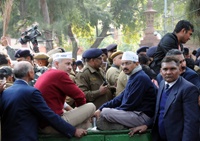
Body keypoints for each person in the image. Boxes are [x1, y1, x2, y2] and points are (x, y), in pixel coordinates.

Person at [0, 61, 87, 141]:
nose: (33, 72)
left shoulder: (5, 92)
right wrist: (73, 131)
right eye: (32, 70)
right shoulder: (31, 92)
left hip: (7, 138)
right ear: (29, 73)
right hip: (25, 138)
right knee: (90, 106)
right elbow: (49, 115)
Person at [129, 56, 200, 141]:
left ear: (180, 70)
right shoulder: (162, 84)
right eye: (165, 69)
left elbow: (191, 123)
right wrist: (147, 125)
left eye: (173, 69)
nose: (168, 72)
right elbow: (161, 112)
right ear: (161, 71)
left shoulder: (188, 89)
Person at [93, 51, 157, 130]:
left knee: (105, 113)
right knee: (104, 111)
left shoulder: (140, 78)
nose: (124, 66)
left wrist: (111, 111)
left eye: (127, 63)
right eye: (122, 64)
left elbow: (130, 104)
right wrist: (101, 108)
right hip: (134, 113)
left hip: (142, 116)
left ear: (136, 64)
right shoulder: (133, 76)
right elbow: (120, 98)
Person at [34, 52, 95, 133]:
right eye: (67, 64)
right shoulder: (60, 74)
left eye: (71, 64)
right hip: (51, 125)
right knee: (91, 107)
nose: (70, 67)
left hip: (42, 124)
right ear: (56, 64)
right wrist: (84, 115)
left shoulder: (45, 74)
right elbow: (80, 96)